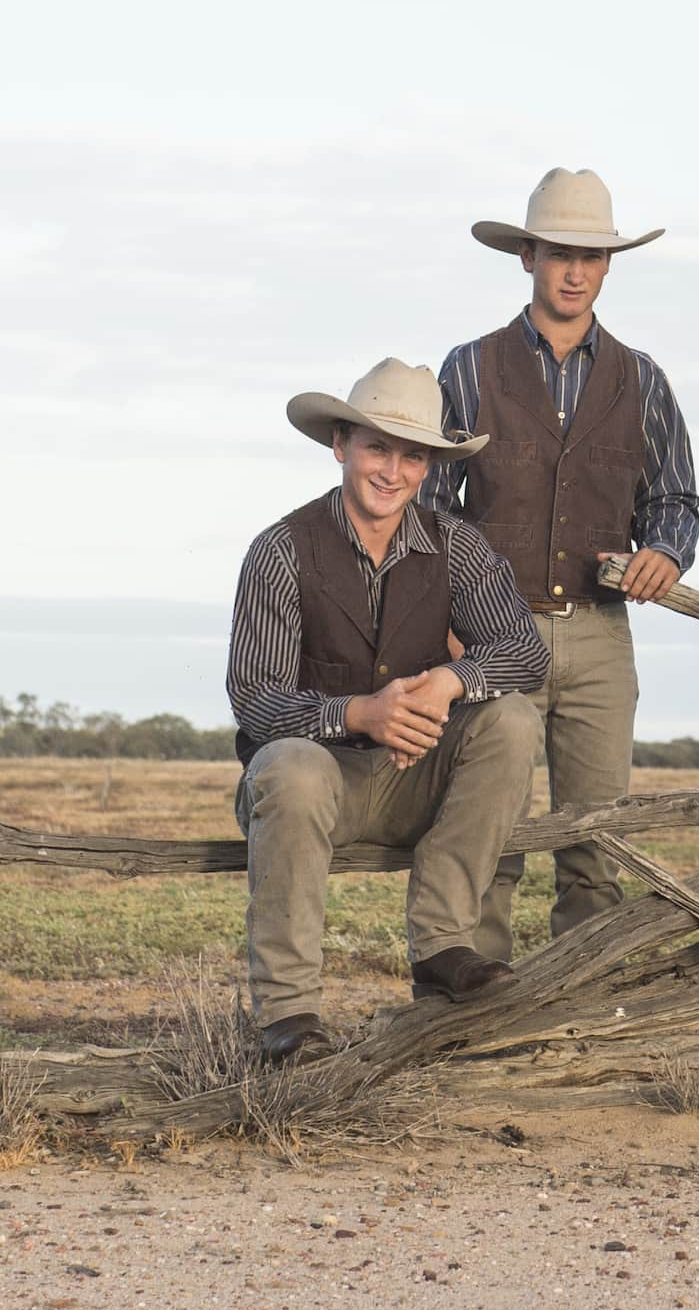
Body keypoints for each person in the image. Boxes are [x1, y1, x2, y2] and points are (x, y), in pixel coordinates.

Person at [229, 358, 549, 1064]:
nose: (392, 470)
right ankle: (289, 1014)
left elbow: (526, 651)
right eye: (377, 447)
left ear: (430, 467)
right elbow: (255, 700)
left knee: (513, 718)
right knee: (288, 765)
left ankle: (441, 943)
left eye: (412, 455)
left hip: (411, 783)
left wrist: (448, 680)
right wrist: (358, 714)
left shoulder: (455, 544)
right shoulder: (281, 550)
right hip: (316, 790)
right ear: (341, 445)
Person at [420, 168, 699, 961]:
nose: (575, 271)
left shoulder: (643, 379)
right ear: (527, 258)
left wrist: (664, 554)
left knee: (598, 842)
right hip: (492, 636)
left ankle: (580, 1001)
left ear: (609, 265)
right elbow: (430, 512)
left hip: (601, 638)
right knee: (491, 834)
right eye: (558, 254)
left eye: (592, 255)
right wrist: (442, 621)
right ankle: (478, 1001)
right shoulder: (469, 369)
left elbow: (676, 499)